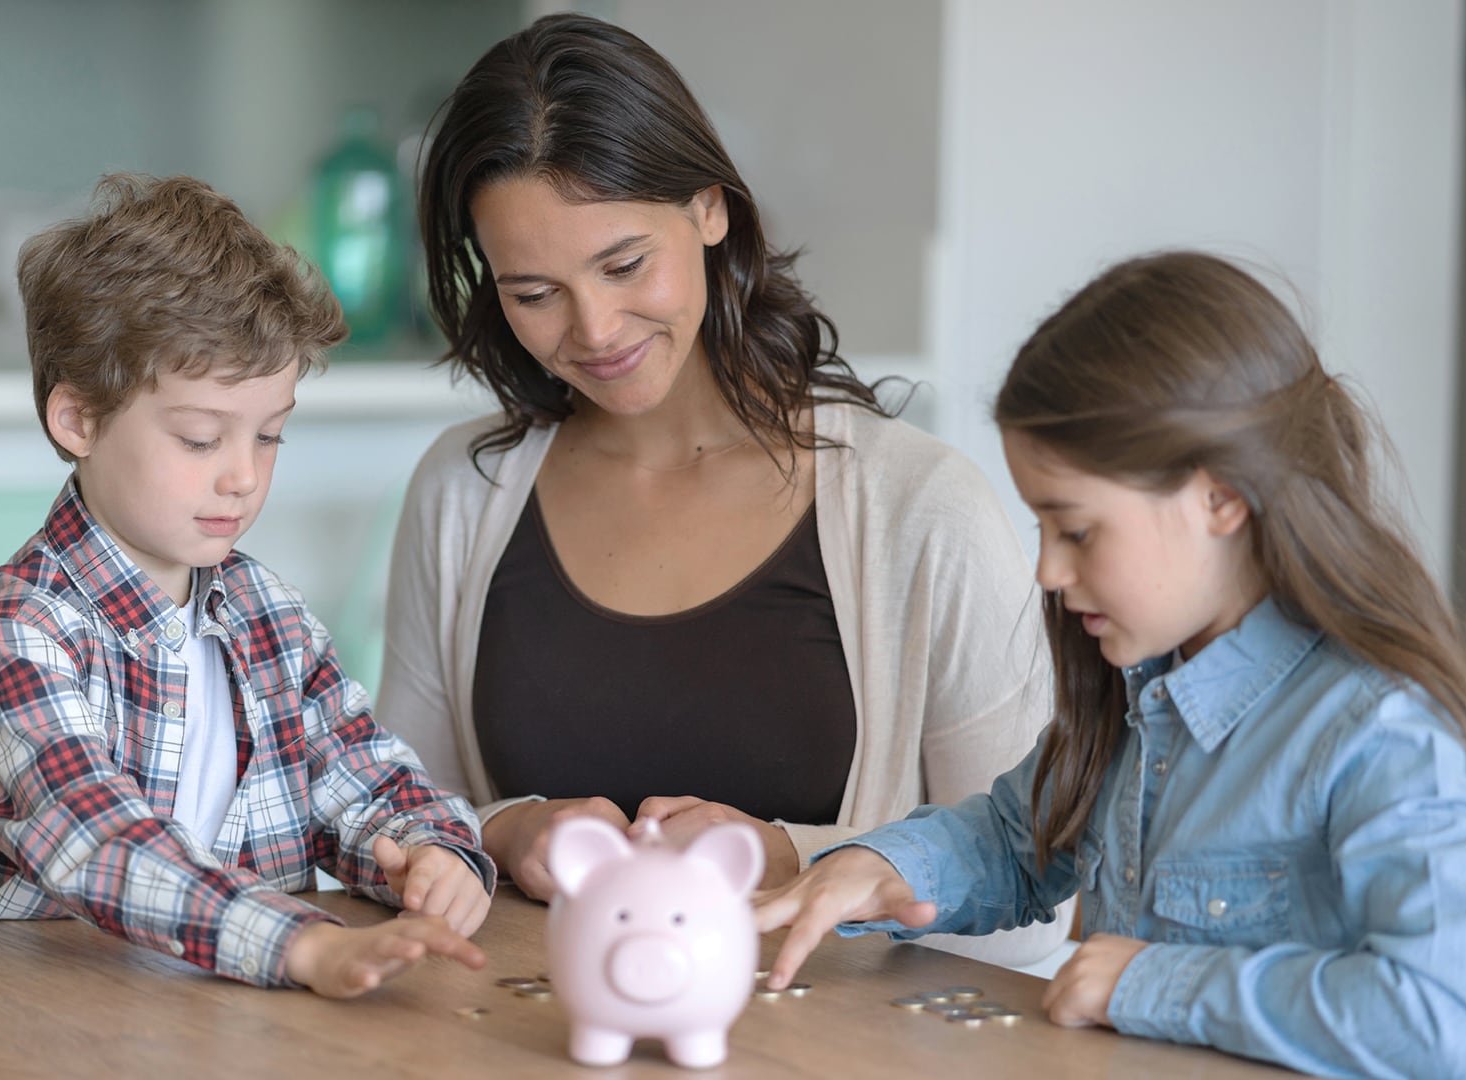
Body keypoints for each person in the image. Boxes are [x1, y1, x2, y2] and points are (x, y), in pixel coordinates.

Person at [379, 12, 1066, 966]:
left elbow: (1039, 894)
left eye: (624, 265)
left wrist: (783, 857)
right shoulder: (462, 491)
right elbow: (389, 822)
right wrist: (505, 834)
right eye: (533, 292)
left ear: (711, 211)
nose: (595, 328)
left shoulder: (920, 509)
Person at [756, 251, 1466, 1078]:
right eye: (1041, 530)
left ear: (1221, 498)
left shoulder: (1382, 733)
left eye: (1078, 531)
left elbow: (1451, 1021)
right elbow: (1015, 840)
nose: (1048, 573)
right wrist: (882, 867)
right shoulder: (1138, 693)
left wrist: (1150, 983)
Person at [0, 174, 494, 998]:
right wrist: (298, 944)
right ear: (77, 419)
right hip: (38, 1033)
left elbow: (369, 781)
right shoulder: (13, 636)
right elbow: (101, 843)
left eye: (269, 436)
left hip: (236, 1024)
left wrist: (434, 852)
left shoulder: (271, 619)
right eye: (198, 439)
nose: (242, 478)